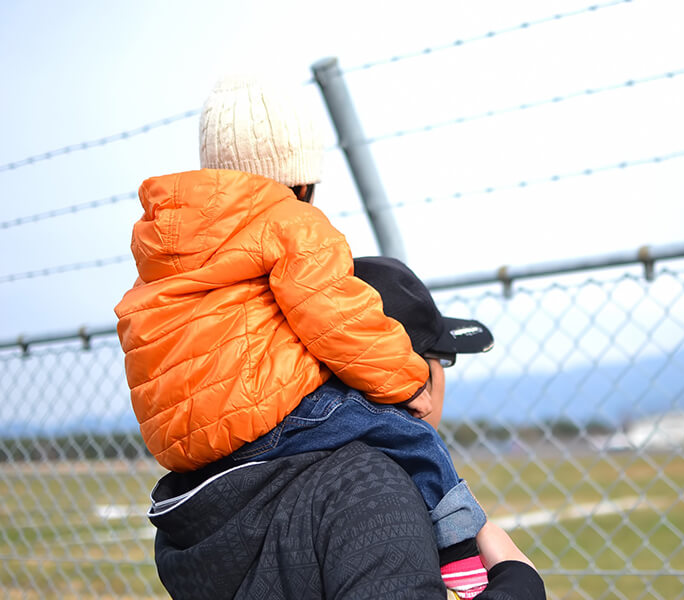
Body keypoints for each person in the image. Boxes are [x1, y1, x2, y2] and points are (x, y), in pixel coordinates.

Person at [114, 77, 487, 595]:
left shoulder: (169, 250)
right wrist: (406, 382)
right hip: (270, 413)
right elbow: (337, 319)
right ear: (304, 181)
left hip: (197, 446)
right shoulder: (292, 223)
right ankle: (463, 549)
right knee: (413, 438)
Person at [146, 256, 546, 599]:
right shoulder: (373, 492)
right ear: (413, 374)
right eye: (443, 360)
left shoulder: (224, 486)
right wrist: (519, 583)